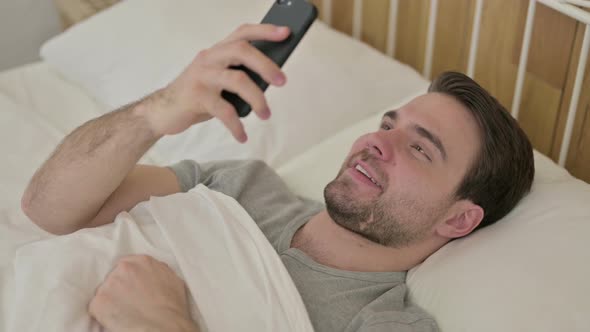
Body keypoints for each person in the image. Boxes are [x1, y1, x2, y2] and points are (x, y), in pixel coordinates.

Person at [20, 23, 534, 332]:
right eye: (388, 124)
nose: (379, 141)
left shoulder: (383, 322)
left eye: (420, 149)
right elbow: (48, 208)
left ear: (460, 218)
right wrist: (161, 109)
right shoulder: (238, 186)